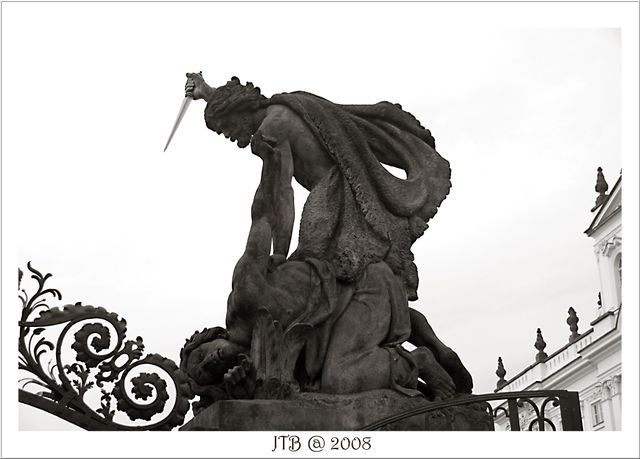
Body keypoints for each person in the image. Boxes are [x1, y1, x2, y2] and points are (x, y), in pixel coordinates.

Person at [185, 73, 472, 394]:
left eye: (226, 129)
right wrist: (209, 94)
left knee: (323, 285)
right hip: (339, 191)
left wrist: (279, 254)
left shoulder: (270, 130)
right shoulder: (286, 104)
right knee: (345, 287)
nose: (231, 137)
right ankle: (424, 344)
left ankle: (405, 355)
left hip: (332, 201)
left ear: (236, 112)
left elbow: (280, 197)